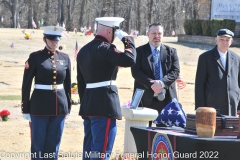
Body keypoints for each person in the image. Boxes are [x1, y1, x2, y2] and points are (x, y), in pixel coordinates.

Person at [77, 17, 136, 160]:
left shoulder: (83, 51)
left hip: (89, 105)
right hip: (104, 104)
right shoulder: (107, 49)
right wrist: (127, 40)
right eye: (115, 33)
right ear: (110, 31)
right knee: (102, 152)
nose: (115, 36)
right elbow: (130, 59)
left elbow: (81, 82)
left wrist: (86, 103)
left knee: (90, 150)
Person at [21, 26, 71, 159]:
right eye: (51, 40)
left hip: (59, 107)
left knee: (53, 145)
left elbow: (67, 84)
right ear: (44, 39)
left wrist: (68, 107)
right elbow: (26, 84)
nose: (54, 42)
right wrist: (25, 109)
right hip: (39, 107)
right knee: (38, 145)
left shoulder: (65, 58)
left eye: (57, 40)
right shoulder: (35, 57)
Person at [131, 22, 180, 127]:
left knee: (165, 137)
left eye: (159, 33)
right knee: (144, 136)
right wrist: (152, 84)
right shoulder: (139, 52)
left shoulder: (171, 52)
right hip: (145, 99)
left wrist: (161, 83)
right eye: (153, 33)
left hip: (166, 101)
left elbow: (175, 72)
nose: (157, 36)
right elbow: (135, 72)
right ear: (147, 34)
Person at [195, 29, 240, 116]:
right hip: (212, 106)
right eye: (221, 40)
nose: (224, 43)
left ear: (231, 41)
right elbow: (199, 85)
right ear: (216, 40)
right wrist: (200, 108)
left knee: (230, 129)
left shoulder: (237, 59)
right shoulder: (205, 58)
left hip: (232, 106)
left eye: (227, 40)